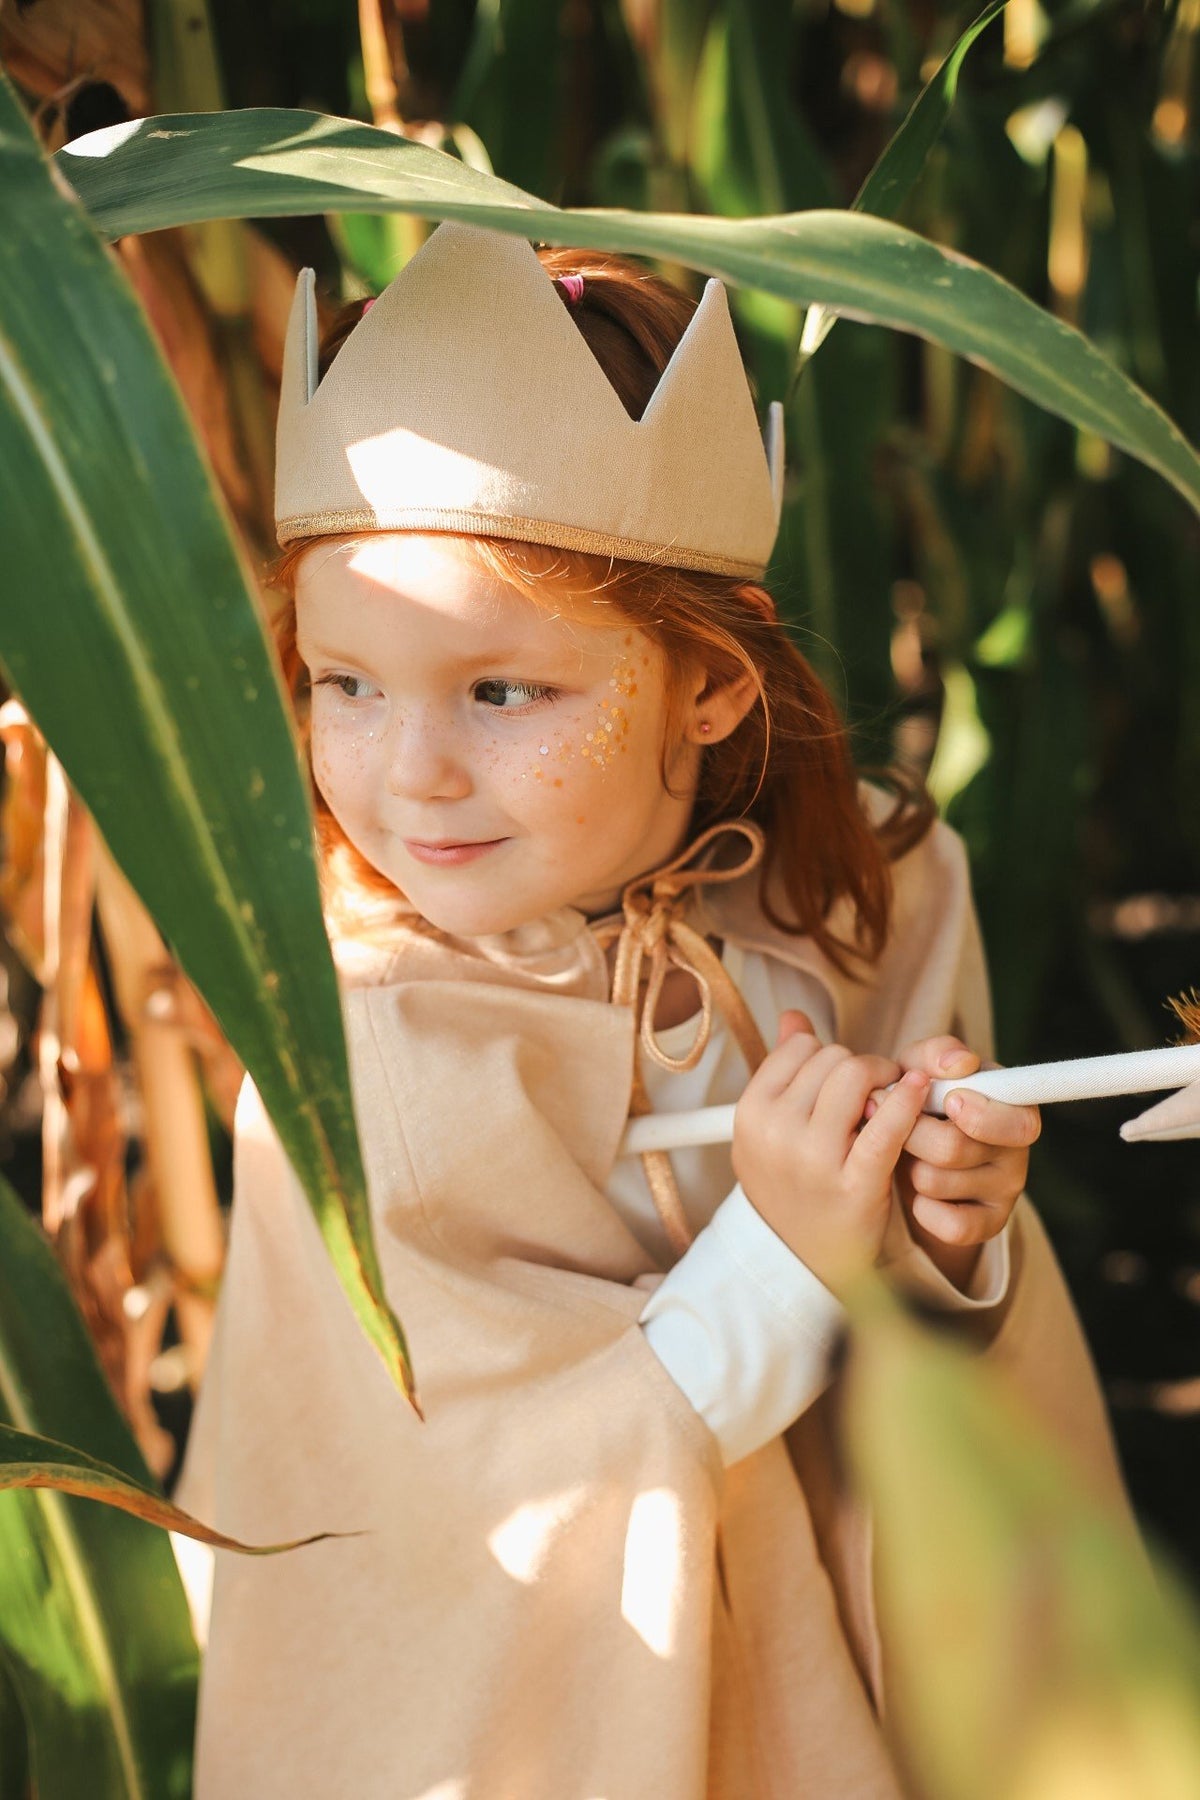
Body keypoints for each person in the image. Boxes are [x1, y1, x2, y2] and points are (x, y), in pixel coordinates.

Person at [176, 221, 1133, 1798]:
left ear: (710, 688)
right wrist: (785, 1249)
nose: (410, 772)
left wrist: (951, 1230)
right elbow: (471, 1499)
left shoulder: (864, 892)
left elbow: (915, 1374)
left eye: (503, 692)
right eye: (346, 683)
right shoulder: (348, 1039)